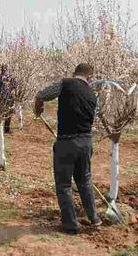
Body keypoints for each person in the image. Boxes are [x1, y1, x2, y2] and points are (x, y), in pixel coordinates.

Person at [34, 63, 102, 235]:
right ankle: (95, 219)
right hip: (86, 142)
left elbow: (41, 95)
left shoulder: (66, 83)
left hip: (66, 143)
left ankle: (71, 225)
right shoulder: (93, 95)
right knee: (85, 181)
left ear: (75, 73)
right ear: (89, 77)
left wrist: (38, 108)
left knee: (64, 185)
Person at [0, 64, 17, 134]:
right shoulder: (10, 76)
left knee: (2, 112)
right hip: (7, 97)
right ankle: (4, 129)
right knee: (6, 113)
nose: (4, 70)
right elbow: (15, 85)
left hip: (3, 97)